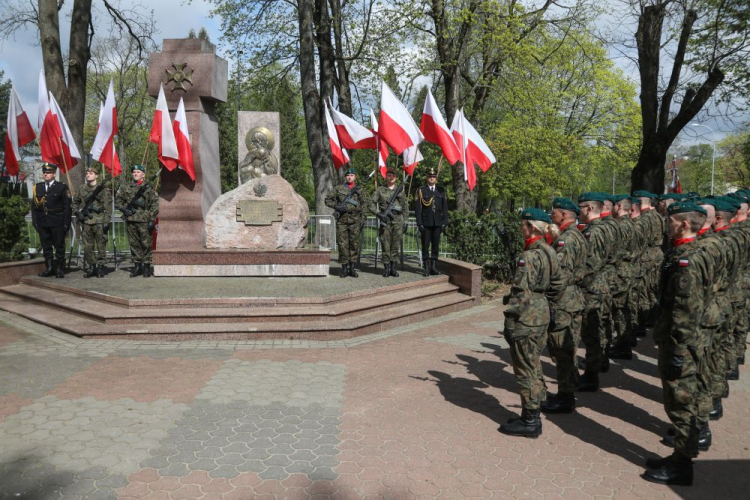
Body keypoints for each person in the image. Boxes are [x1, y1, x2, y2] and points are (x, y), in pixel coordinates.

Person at [643, 201, 713, 487]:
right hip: (682, 340)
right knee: (681, 403)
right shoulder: (693, 252)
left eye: (670, 221)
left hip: (680, 343)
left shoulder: (688, 261)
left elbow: (686, 310)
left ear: (684, 224)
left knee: (681, 404)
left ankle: (682, 464)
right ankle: (678, 457)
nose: (666, 225)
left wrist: (679, 351)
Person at [500, 208, 564, 437]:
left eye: (523, 225)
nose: (520, 228)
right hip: (541, 312)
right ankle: (533, 410)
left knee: (525, 368)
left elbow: (521, 293)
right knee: (534, 363)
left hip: (527, 317)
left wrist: (509, 321)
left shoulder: (528, 256)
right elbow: (558, 284)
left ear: (531, 227)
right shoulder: (549, 251)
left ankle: (530, 420)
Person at [542, 198, 586, 414]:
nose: (552, 216)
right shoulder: (574, 235)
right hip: (571, 299)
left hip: (563, 301)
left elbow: (560, 276)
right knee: (567, 347)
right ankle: (568, 389)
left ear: (565, 215)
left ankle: (565, 397)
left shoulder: (566, 240)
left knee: (562, 349)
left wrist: (544, 294)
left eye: (555, 213)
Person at [576, 192, 617, 392]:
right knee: (599, 328)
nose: (579, 211)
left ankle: (591, 376)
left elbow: (591, 263)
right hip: (603, 285)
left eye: (581, 207)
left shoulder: (595, 231)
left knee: (591, 332)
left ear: (590, 208)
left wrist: (574, 278)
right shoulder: (608, 227)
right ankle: (597, 365)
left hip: (593, 288)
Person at [608, 195, 640, 359]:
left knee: (619, 309)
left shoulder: (621, 226)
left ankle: (622, 345)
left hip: (621, 271)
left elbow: (616, 252)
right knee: (624, 308)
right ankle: (623, 343)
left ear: (619, 206)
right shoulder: (632, 224)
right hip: (628, 269)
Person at [115, 164, 159, 278]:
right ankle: (137, 266)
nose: (135, 174)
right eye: (134, 172)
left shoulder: (148, 188)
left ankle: (146, 266)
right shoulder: (125, 187)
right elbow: (118, 201)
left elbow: (155, 204)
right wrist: (124, 209)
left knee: (146, 244)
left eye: (138, 172)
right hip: (131, 219)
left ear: (143, 174)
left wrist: (151, 219)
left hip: (144, 220)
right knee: (134, 244)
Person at [31, 163, 72, 278]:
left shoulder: (61, 187)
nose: (45, 174)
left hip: (57, 221)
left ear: (54, 174)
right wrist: (35, 221)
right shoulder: (37, 187)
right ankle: (49, 268)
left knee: (59, 245)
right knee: (46, 246)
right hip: (43, 221)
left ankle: (59, 269)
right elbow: (34, 207)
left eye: (48, 172)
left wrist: (66, 223)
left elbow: (67, 207)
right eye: (44, 172)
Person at [72, 166, 112, 278]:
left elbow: (107, 207)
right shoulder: (82, 188)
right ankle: (92, 267)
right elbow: (75, 203)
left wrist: (106, 222)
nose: (88, 174)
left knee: (101, 245)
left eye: (91, 173)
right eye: (87, 173)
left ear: (96, 175)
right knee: (88, 247)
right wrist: (77, 212)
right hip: (86, 222)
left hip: (99, 221)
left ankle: (100, 267)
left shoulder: (103, 189)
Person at [325, 167, 365, 278]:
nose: (349, 177)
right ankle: (344, 268)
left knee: (354, 245)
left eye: (352, 175)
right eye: (348, 175)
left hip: (355, 221)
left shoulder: (360, 190)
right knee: (343, 245)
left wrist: (363, 219)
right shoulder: (338, 189)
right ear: (345, 177)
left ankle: (352, 268)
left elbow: (364, 205)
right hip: (342, 221)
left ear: (355, 177)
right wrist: (337, 206)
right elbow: (327, 200)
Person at [370, 168, 407, 277]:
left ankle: (393, 268)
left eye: (393, 176)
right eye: (389, 175)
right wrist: (378, 213)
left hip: (397, 222)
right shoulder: (380, 190)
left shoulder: (400, 191)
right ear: (386, 177)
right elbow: (371, 203)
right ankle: (386, 268)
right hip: (385, 221)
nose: (391, 177)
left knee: (395, 246)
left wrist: (405, 222)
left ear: (395, 178)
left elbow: (405, 208)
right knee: (385, 245)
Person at [414, 167, 448, 277]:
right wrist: (419, 223)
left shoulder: (441, 190)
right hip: (426, 223)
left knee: (435, 246)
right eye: (430, 176)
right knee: (425, 246)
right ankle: (426, 267)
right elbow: (418, 209)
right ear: (426, 178)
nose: (431, 178)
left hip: (437, 223)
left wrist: (444, 222)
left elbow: (445, 208)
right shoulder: (421, 190)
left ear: (436, 178)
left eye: (433, 177)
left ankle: (433, 267)